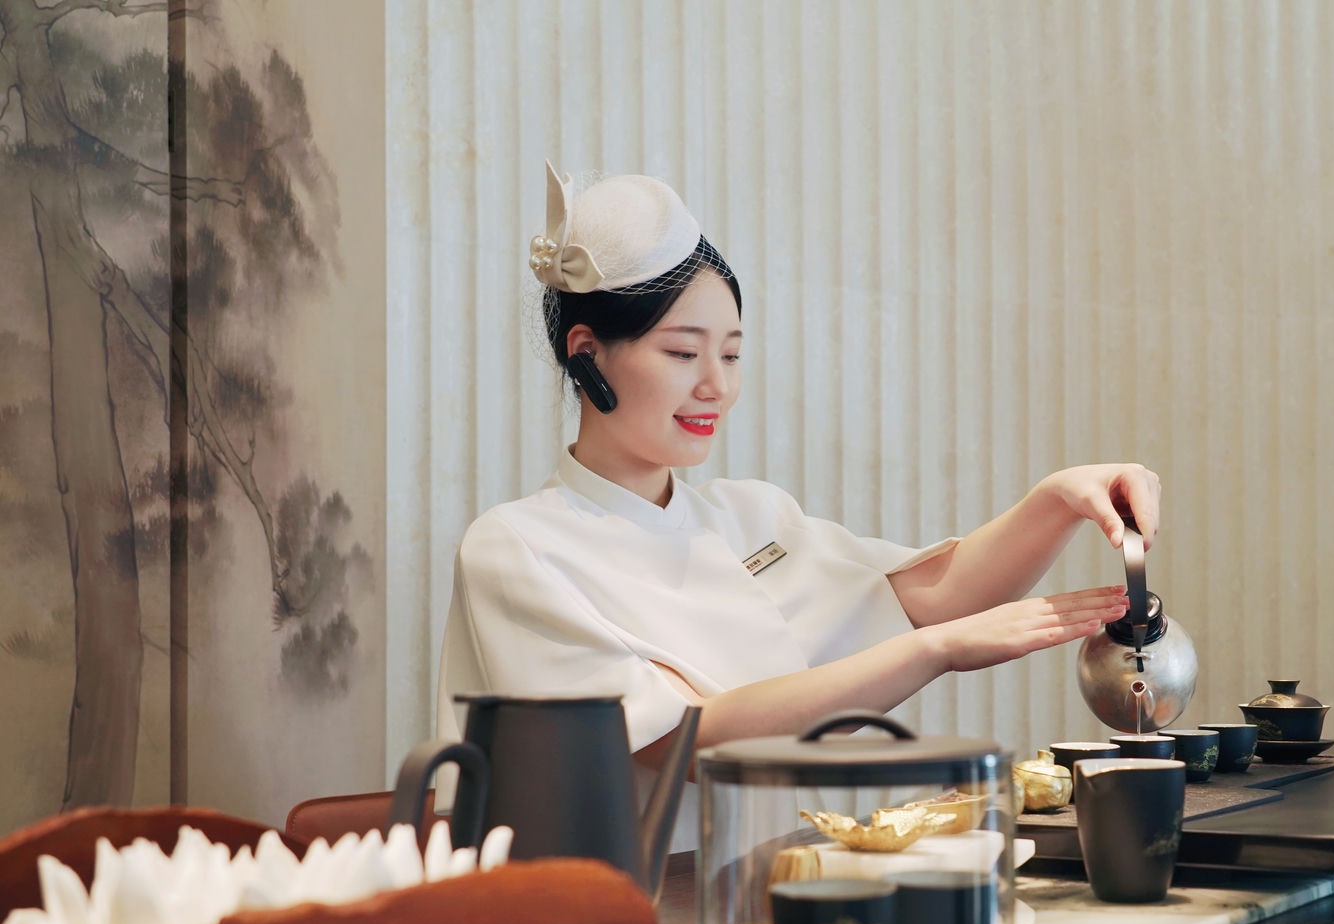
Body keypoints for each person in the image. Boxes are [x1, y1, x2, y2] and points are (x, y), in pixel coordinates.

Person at [435, 163, 1159, 807]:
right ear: (587, 354)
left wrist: (1058, 499)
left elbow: (933, 596)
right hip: (616, 899)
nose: (716, 386)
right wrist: (936, 651)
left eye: (731, 354)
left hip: (762, 879)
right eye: (683, 353)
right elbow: (686, 741)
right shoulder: (517, 547)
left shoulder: (751, 515)